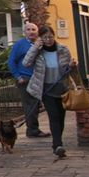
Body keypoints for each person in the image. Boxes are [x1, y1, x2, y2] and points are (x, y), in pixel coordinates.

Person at [22, 25, 75, 158]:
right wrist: (35, 47)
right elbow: (26, 63)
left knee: (61, 117)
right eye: (45, 37)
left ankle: (57, 143)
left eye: (50, 37)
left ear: (54, 36)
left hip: (61, 88)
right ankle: (57, 145)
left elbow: (68, 68)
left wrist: (72, 65)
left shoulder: (63, 49)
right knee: (54, 116)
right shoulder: (38, 51)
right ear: (41, 38)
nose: (48, 40)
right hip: (46, 89)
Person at [8, 22, 45, 137]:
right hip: (25, 79)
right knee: (30, 105)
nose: (31, 32)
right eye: (28, 29)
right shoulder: (20, 44)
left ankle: (33, 128)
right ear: (24, 32)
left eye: (33, 29)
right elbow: (11, 61)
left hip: (38, 79)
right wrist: (18, 77)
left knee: (36, 105)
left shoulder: (41, 44)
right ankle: (32, 130)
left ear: (37, 32)